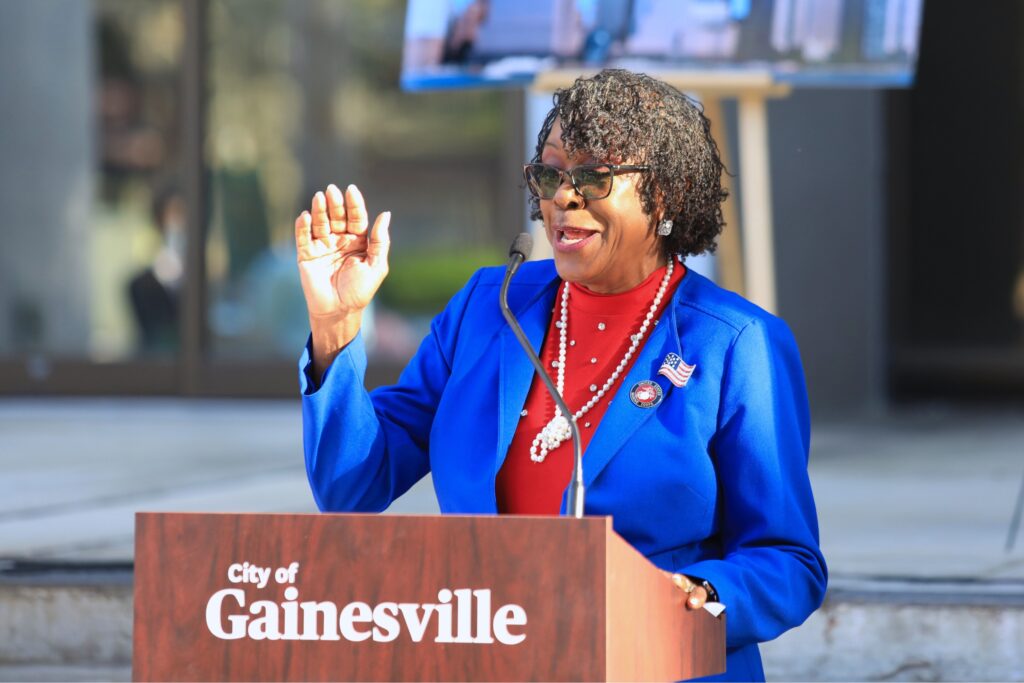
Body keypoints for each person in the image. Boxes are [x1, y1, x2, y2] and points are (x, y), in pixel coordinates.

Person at [294, 69, 826, 682]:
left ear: (668, 197)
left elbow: (788, 560)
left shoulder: (735, 342)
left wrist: (693, 594)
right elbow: (351, 486)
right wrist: (334, 326)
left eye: (594, 176)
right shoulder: (488, 309)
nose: (563, 198)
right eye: (550, 174)